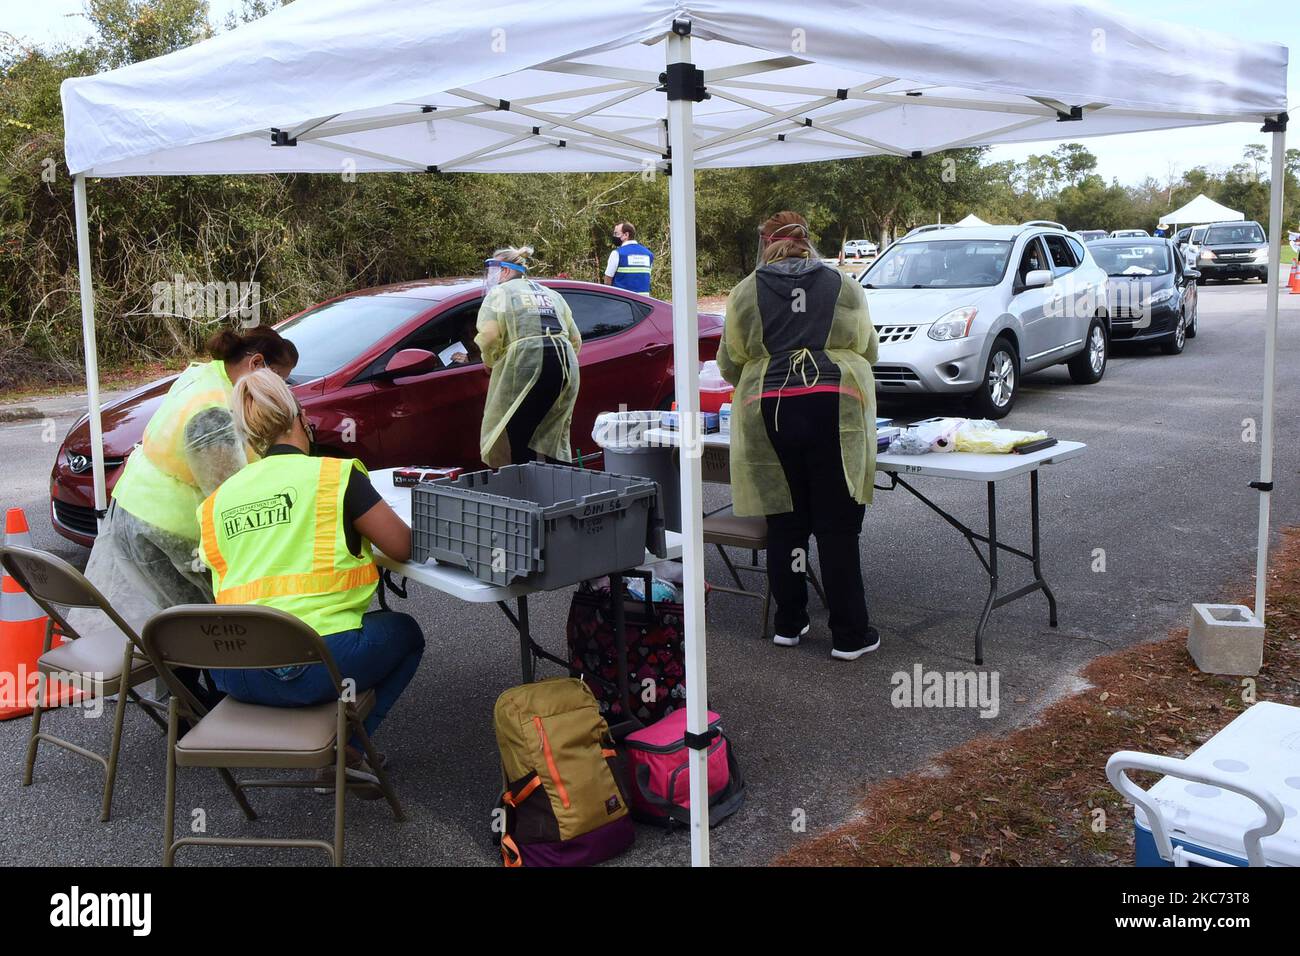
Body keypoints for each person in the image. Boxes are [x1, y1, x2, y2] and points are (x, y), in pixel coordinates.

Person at [197, 369, 424, 788]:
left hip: (236, 671)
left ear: (250, 435)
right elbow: (402, 547)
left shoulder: (216, 502)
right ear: (300, 418)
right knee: (406, 632)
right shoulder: (335, 477)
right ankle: (352, 749)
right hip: (317, 666)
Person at [72, 326, 299, 702]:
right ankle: (198, 710)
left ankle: (191, 706)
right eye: (279, 381)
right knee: (197, 627)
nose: (279, 393)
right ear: (257, 363)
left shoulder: (203, 375)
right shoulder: (213, 410)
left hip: (135, 505)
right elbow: (229, 494)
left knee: (170, 619)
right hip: (166, 527)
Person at [716, 211, 881, 661]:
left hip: (770, 408)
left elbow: (730, 360)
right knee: (837, 524)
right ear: (807, 240)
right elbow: (867, 348)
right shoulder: (842, 283)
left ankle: (790, 622)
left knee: (785, 520)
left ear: (766, 241)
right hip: (835, 404)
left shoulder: (745, 290)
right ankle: (849, 633)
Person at [475, 245, 582, 466]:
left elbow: (489, 336)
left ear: (504, 271)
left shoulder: (500, 293)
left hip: (527, 364)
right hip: (565, 365)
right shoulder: (551, 293)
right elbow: (575, 339)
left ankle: (526, 491)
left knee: (519, 433)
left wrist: (489, 360)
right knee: (554, 432)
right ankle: (561, 489)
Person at [602, 221, 654, 293]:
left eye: (616, 233)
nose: (614, 236)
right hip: (643, 302)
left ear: (626, 235)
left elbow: (607, 281)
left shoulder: (617, 254)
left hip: (622, 302)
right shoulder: (649, 255)